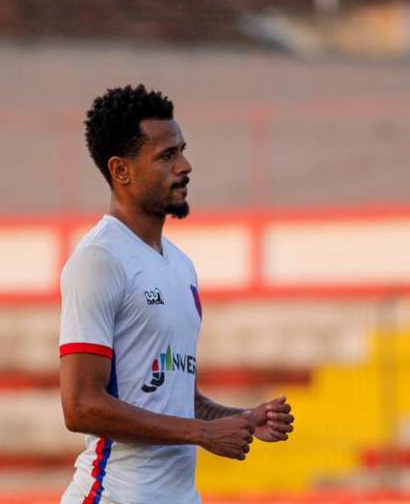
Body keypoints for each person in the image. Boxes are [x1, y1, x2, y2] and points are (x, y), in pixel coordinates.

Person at [58, 84, 295, 503]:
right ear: (121, 170)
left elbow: (172, 393)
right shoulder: (99, 260)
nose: (185, 166)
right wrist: (203, 434)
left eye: (182, 150)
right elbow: (81, 407)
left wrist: (238, 419)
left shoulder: (180, 265)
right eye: (166, 156)